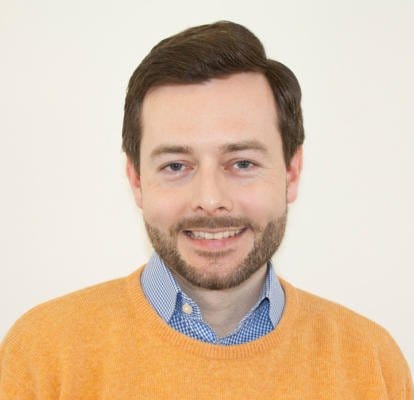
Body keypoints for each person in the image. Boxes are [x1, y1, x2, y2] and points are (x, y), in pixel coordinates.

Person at [0, 20, 412, 399]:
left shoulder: (372, 364)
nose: (211, 199)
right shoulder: (41, 357)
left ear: (292, 172)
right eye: (176, 166)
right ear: (136, 180)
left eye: (243, 163)